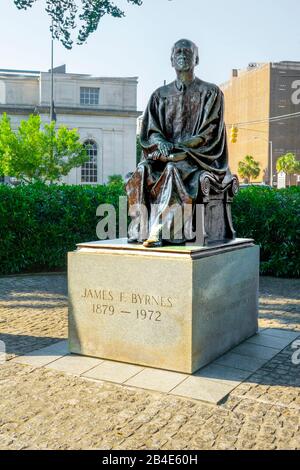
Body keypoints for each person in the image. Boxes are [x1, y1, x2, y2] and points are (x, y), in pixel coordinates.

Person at [126, 38, 230, 247]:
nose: (183, 55)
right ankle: (140, 228)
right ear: (171, 59)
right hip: (166, 156)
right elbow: (151, 131)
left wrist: (179, 150)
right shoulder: (159, 95)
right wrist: (161, 143)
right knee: (140, 171)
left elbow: (209, 133)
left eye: (188, 52)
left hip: (199, 158)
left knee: (174, 169)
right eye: (178, 52)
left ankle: (163, 231)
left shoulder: (211, 93)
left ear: (196, 58)